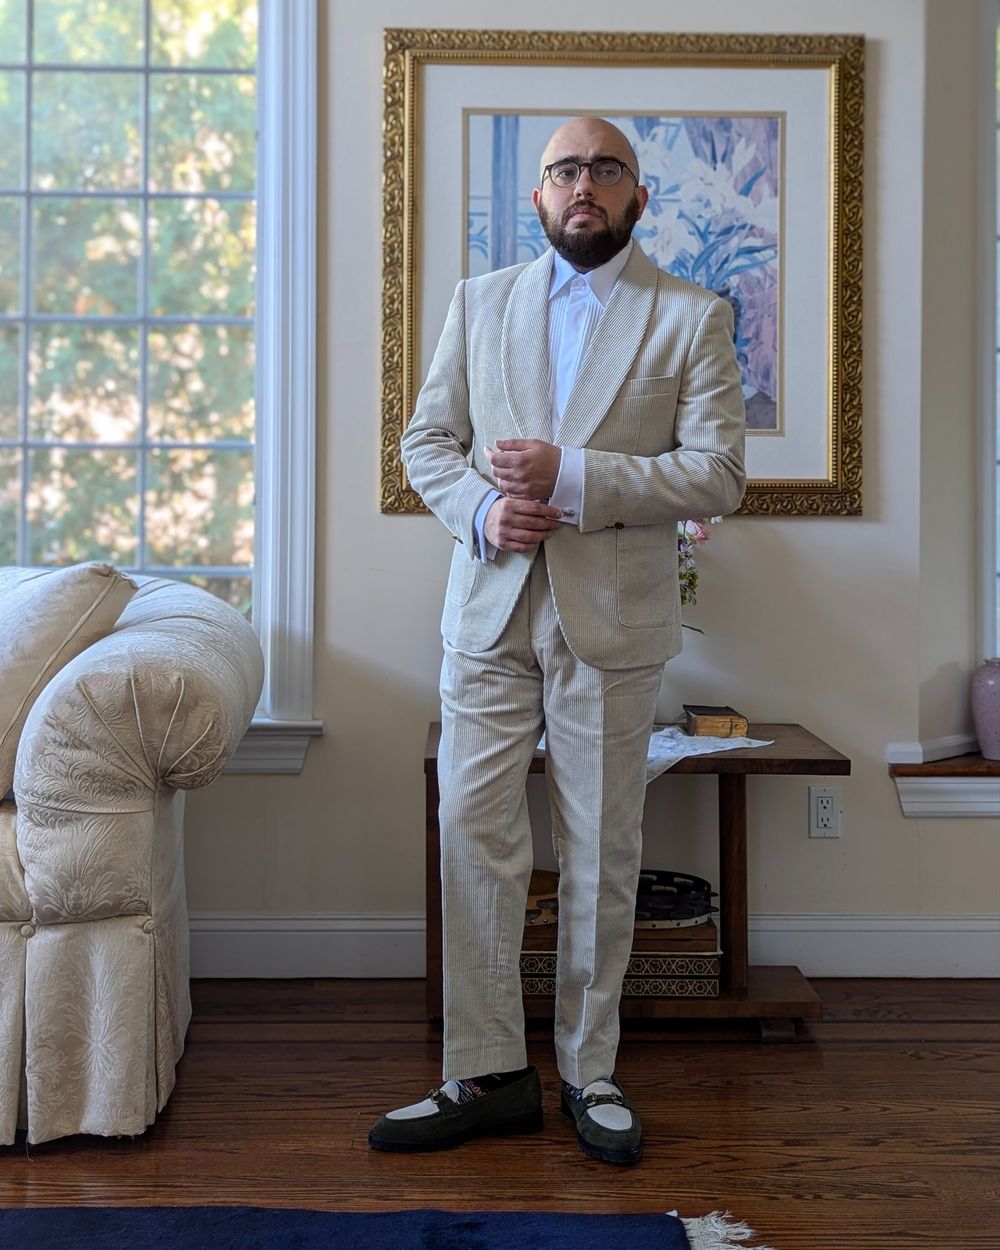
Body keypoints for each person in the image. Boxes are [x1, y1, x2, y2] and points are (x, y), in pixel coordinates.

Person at [369, 117, 746, 1165]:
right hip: (486, 613)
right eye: (565, 170)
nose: (584, 185)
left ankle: (590, 1071)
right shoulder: (477, 304)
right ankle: (487, 1071)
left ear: (637, 197)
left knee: (600, 846)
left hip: (611, 622)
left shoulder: (690, 316)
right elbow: (424, 442)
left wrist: (572, 479)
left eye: (606, 169)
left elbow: (716, 473)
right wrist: (485, 513)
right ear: (537, 197)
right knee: (474, 836)